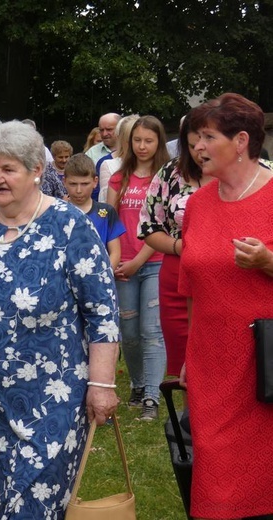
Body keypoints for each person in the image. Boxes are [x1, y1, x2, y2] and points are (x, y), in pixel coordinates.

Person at [0, 121, 120, 518]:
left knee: (34, 505)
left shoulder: (70, 225)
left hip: (53, 397)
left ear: (37, 170)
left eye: (8, 169)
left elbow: (102, 310)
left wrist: (102, 384)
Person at [179, 93, 273, 520]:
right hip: (211, 359)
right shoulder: (197, 204)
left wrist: (268, 262)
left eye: (207, 136)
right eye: (195, 137)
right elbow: (194, 286)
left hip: (265, 361)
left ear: (240, 141)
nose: (197, 147)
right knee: (215, 473)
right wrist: (186, 356)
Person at [137, 111, 213, 376]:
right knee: (186, 366)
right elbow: (148, 227)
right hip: (178, 274)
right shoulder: (172, 172)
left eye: (207, 143)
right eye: (192, 145)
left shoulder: (247, 174)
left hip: (226, 276)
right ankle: (190, 416)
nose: (199, 151)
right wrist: (178, 247)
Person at [107, 115, 170, 421]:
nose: (142, 146)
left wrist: (137, 262)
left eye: (149, 140)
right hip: (122, 265)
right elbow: (109, 221)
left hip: (154, 263)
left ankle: (152, 397)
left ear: (159, 142)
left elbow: (163, 227)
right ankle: (137, 384)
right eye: (137, 140)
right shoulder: (119, 177)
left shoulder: (167, 178)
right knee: (129, 333)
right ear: (129, 142)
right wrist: (117, 259)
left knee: (151, 330)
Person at [64, 153, 125, 269]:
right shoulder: (56, 213)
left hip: (100, 277)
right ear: (64, 181)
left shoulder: (106, 212)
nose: (78, 190)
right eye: (73, 184)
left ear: (95, 181)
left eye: (85, 184)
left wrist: (103, 275)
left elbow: (115, 253)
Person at [98, 114, 140, 202]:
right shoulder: (108, 165)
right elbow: (106, 207)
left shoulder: (156, 165)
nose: (140, 145)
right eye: (131, 140)